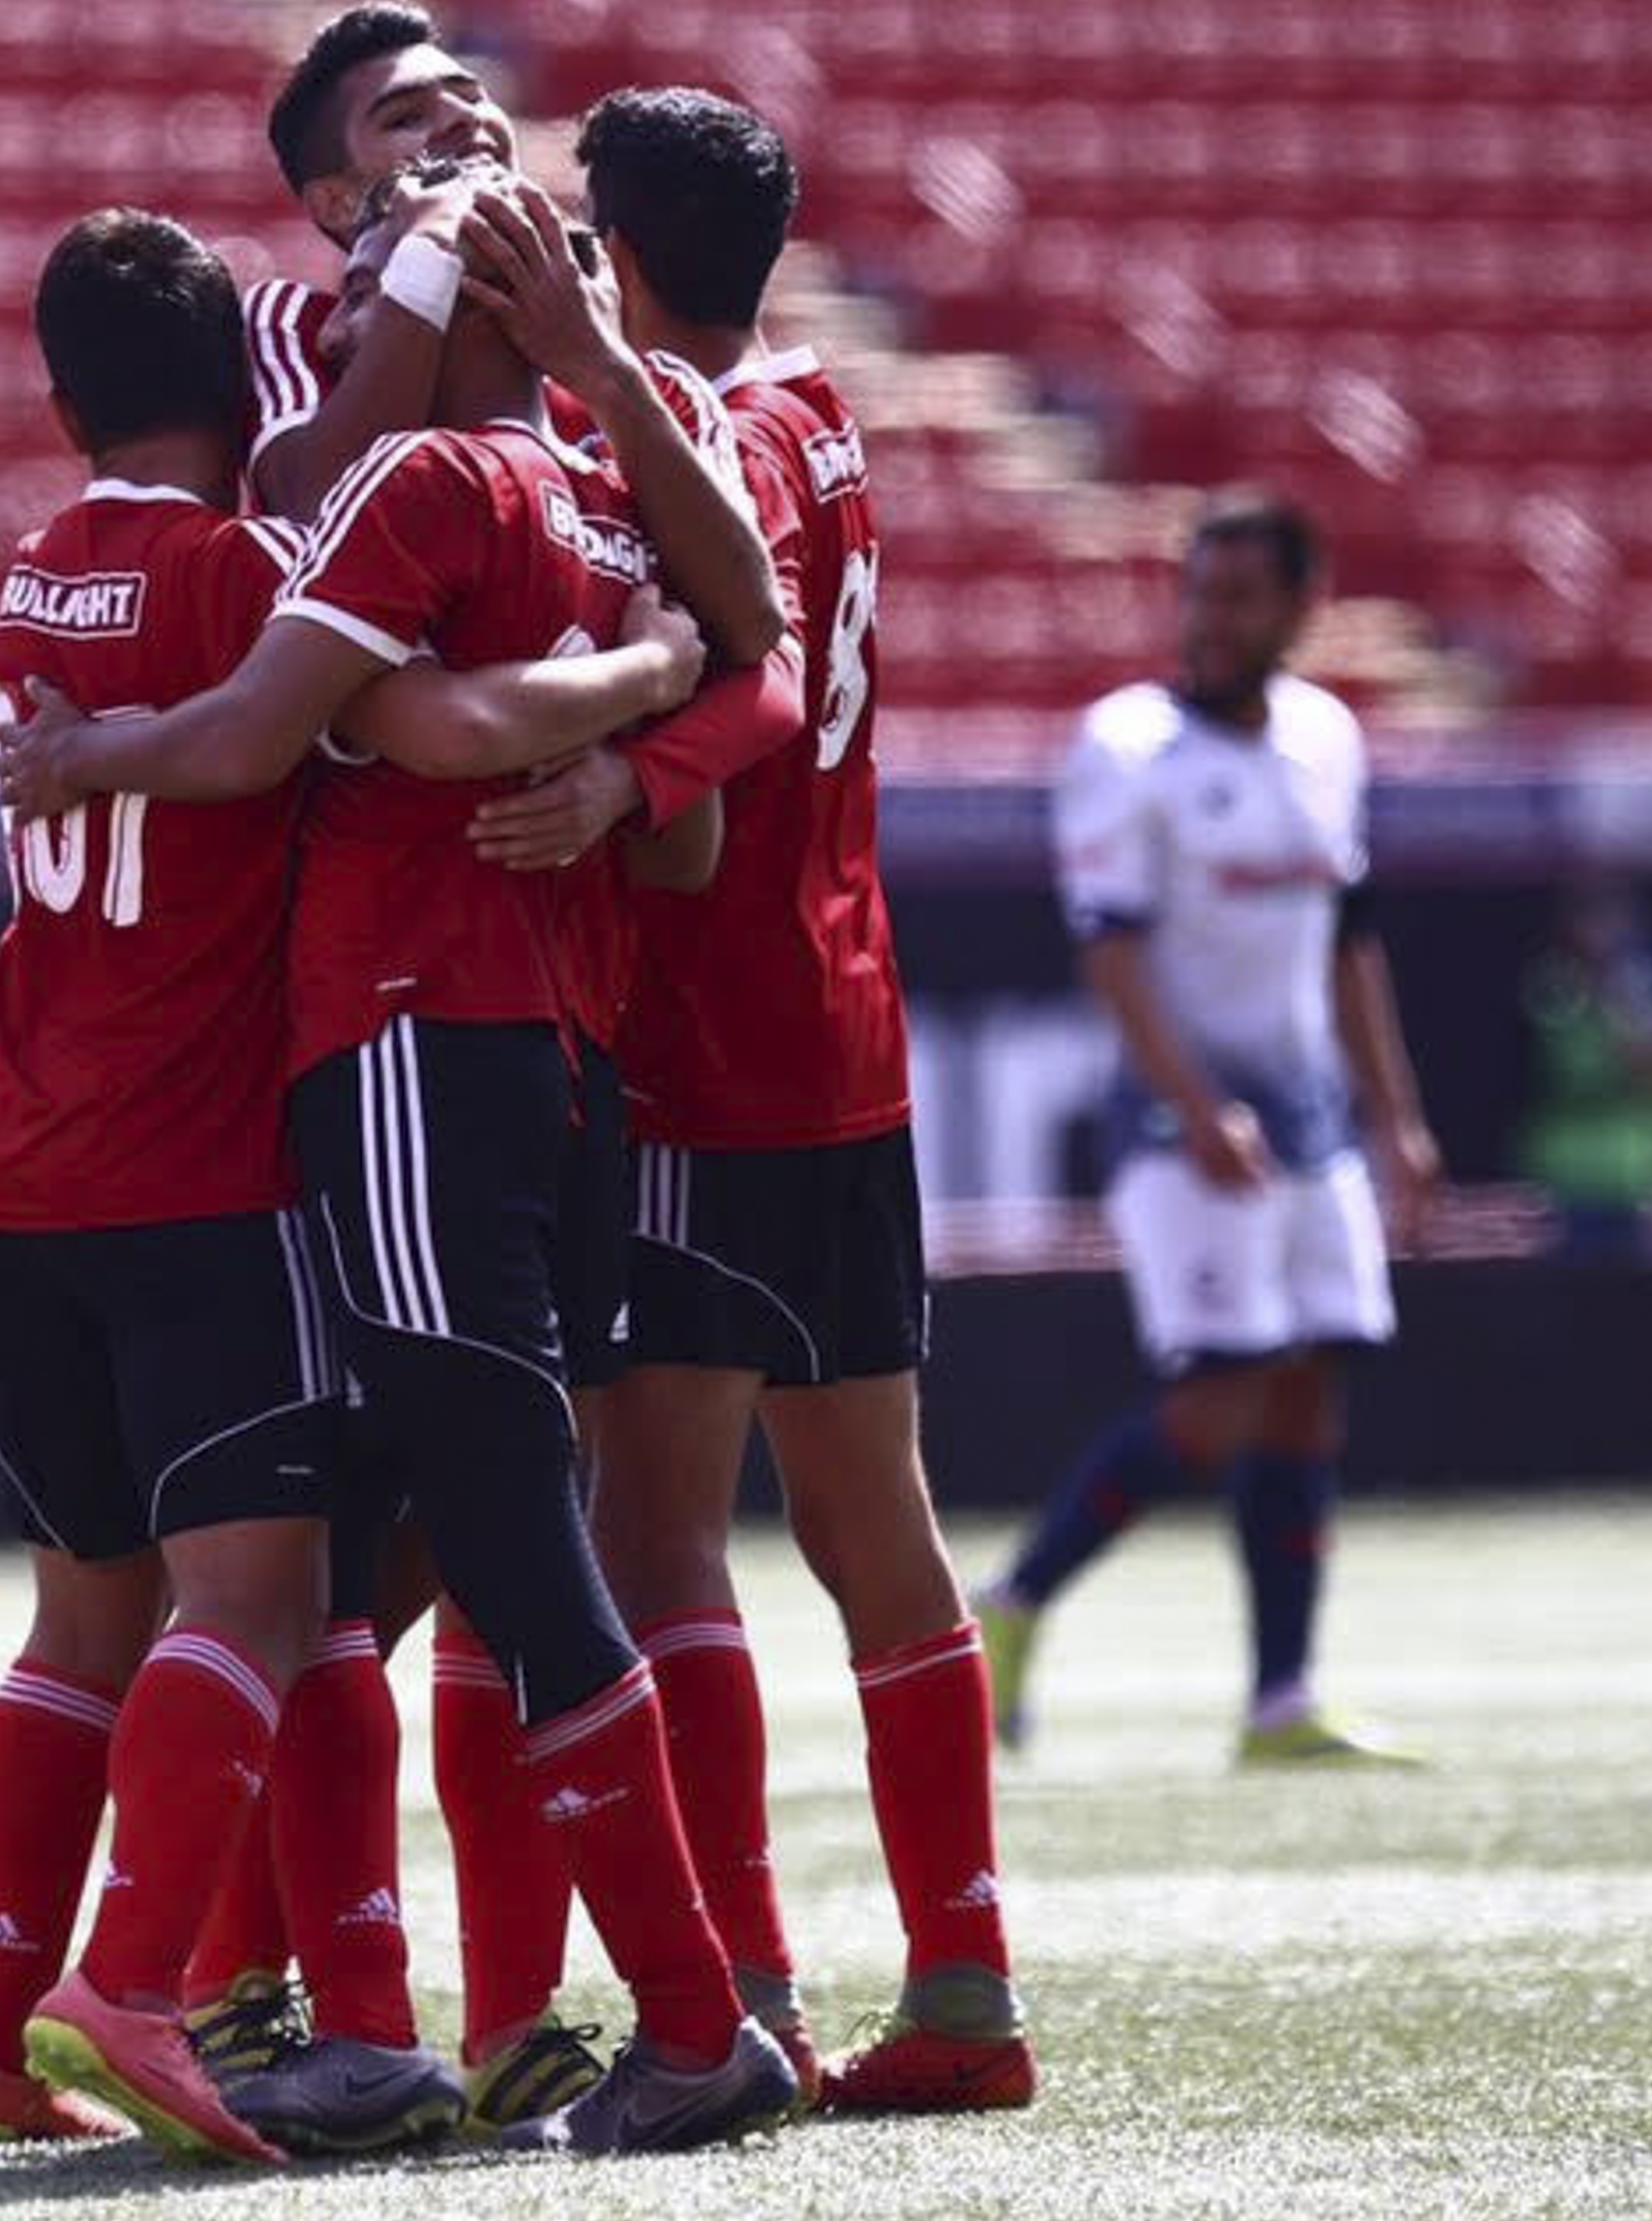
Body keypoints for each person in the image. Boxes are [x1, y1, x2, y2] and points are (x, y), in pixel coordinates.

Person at [0, 152, 809, 2158]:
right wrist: (639, 706)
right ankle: (376, 2011)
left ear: (446, 318)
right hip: (547, 1067)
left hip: (406, 1059)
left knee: (516, 1553)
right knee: (404, 1543)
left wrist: (90, 747)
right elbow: (701, 802)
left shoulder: (424, 487)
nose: (332, 323)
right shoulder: (607, 517)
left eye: (367, 291)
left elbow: (339, 731)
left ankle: (690, 2022)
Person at [513, 85, 1040, 2116]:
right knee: (874, 1523)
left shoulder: (671, 450)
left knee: (656, 1534)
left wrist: (606, 785)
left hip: (705, 1050)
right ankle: (967, 1978)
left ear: (619, 255)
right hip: (853, 1034)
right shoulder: (824, 413)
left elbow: (691, 777)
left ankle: (740, 1988)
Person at [975, 496, 1442, 1768]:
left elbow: (1349, 939)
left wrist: (1395, 1116)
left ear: (1305, 604)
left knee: (1308, 1386)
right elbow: (1110, 952)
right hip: (1176, 1121)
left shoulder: (1326, 738)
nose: (1213, 620)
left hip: (1311, 1118)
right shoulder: (1128, 747)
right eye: (1202, 593)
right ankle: (1011, 1608)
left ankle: (1281, 1698)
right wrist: (1194, 1107)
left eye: (1241, 596)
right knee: (1222, 1391)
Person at [1521, 878, 1652, 1264]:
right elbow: (1562, 1067)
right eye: (1587, 919)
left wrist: (1629, 1010)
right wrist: (1602, 1002)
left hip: (1643, 1183)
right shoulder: (1554, 985)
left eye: (1608, 921)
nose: (1599, 933)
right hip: (1571, 1189)